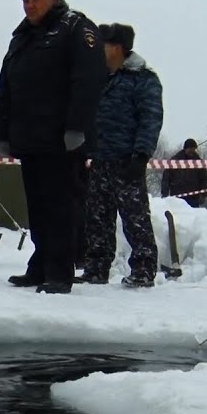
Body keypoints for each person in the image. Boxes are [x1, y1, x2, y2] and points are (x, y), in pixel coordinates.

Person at [0, 0, 107, 294]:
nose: (29, 6)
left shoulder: (75, 28)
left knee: (61, 205)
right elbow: (7, 88)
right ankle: (40, 265)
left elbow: (88, 80)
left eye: (35, 0)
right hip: (30, 138)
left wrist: (76, 127)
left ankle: (60, 271)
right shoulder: (22, 37)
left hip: (61, 140)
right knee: (38, 207)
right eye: (25, 1)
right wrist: (1, 132)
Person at [78, 23, 162, 288]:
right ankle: (96, 268)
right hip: (99, 159)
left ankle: (144, 270)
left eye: (102, 44)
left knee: (135, 217)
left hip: (127, 160)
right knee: (97, 218)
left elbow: (150, 118)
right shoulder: (100, 77)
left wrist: (141, 155)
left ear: (116, 47)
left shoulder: (143, 79)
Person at [160, 138, 207, 207]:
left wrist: (203, 194)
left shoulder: (198, 162)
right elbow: (166, 177)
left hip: (193, 197)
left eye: (193, 149)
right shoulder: (175, 160)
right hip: (177, 197)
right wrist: (164, 193)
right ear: (185, 148)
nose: (192, 151)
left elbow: (204, 179)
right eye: (190, 149)